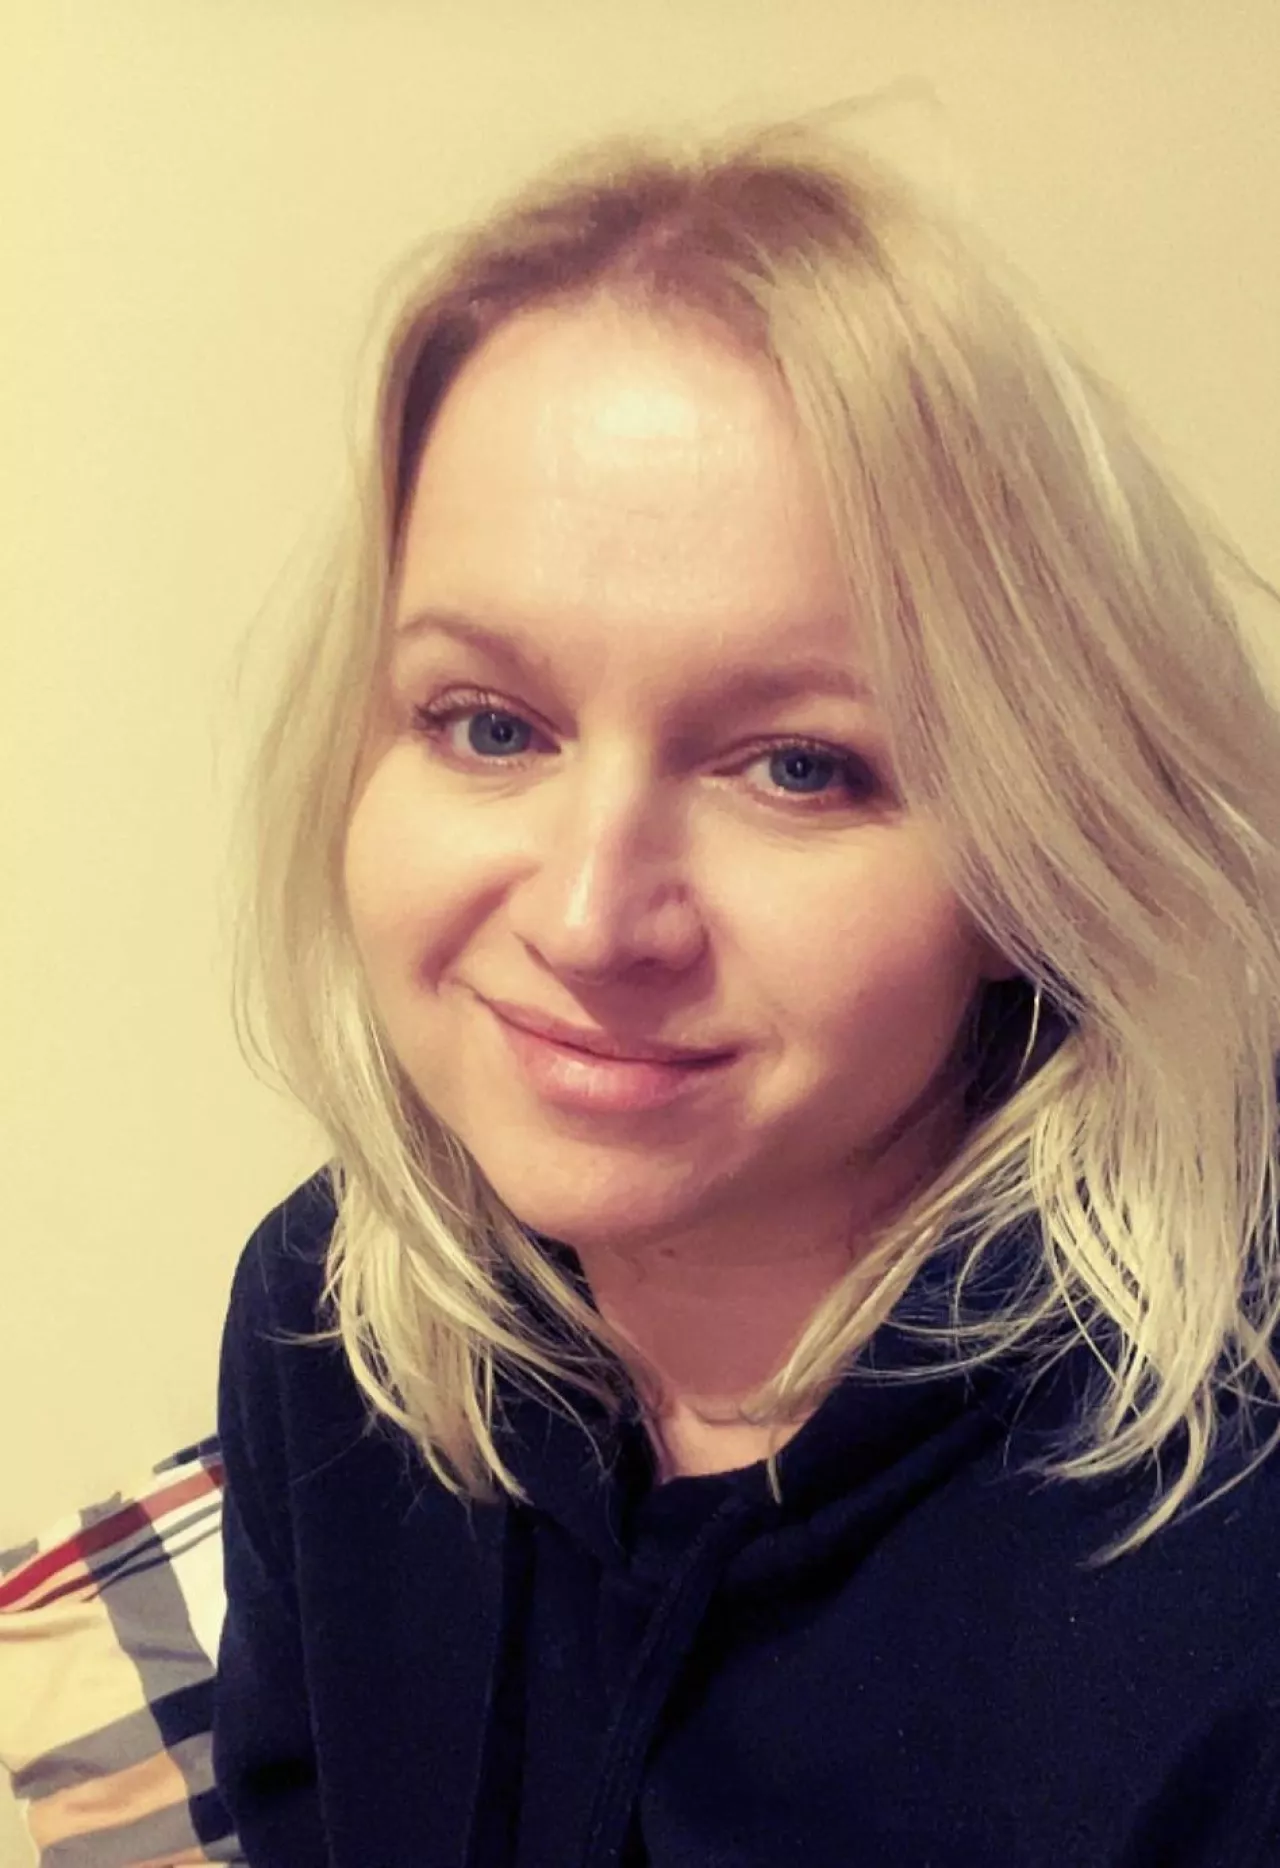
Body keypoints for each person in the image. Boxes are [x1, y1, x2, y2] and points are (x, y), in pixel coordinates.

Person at [210, 116, 1280, 1868]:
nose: (588, 918)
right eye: (490, 725)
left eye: (799, 766)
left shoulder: (1228, 1566)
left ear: (1038, 850)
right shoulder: (327, 1328)